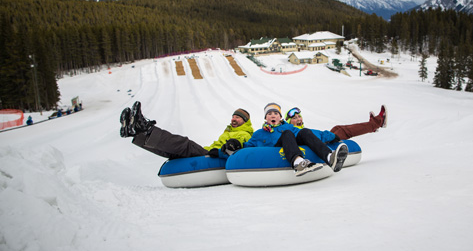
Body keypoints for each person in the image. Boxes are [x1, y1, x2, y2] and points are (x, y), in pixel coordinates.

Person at [119, 101, 254, 160]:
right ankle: (137, 132)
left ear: (245, 120)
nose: (233, 119)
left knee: (185, 144)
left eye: (237, 117)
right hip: (211, 152)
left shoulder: (245, 133)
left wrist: (232, 143)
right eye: (233, 116)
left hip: (216, 156)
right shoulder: (228, 131)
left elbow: (240, 142)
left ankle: (146, 128)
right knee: (173, 152)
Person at [243, 103, 348, 177]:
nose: (273, 115)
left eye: (276, 113)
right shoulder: (259, 133)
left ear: (280, 117)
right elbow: (248, 146)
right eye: (269, 114)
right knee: (287, 134)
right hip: (276, 151)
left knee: (304, 131)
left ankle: (330, 157)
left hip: (291, 144)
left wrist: (330, 136)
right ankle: (298, 163)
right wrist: (236, 144)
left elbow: (308, 134)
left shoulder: (289, 127)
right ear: (266, 118)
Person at [285, 105, 387, 141]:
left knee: (337, 127)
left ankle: (372, 125)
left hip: (323, 139)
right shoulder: (292, 131)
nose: (298, 119)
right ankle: (378, 122)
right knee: (344, 131)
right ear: (289, 122)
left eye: (299, 116)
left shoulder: (300, 129)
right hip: (323, 144)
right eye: (294, 118)